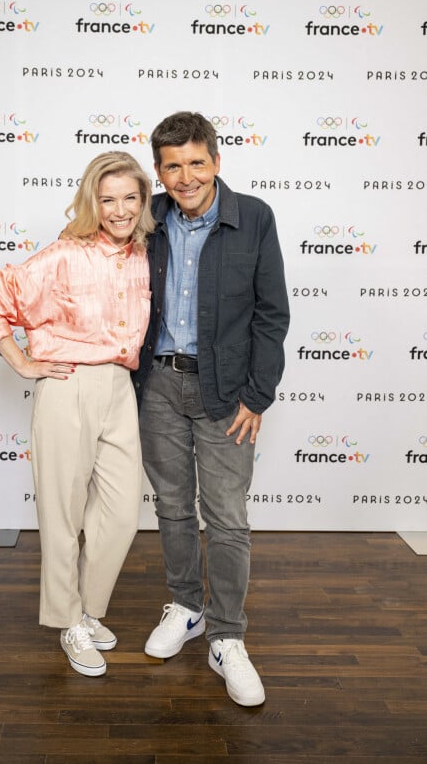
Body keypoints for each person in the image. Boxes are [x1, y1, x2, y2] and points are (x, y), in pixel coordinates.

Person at [0, 151, 154, 678]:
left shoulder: (143, 253)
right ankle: (67, 621)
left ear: (143, 201)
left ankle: (89, 612)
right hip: (68, 386)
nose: (119, 209)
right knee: (62, 514)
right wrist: (22, 362)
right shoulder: (65, 253)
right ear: (92, 200)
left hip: (121, 387)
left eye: (130, 197)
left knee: (119, 515)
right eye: (108, 198)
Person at [133, 112, 289, 706]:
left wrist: (258, 394)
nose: (186, 176)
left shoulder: (254, 217)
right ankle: (187, 607)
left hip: (227, 393)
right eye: (173, 166)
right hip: (158, 388)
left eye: (197, 162)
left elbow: (272, 314)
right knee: (172, 506)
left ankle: (228, 635)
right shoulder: (145, 219)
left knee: (225, 517)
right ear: (159, 172)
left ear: (217, 162)